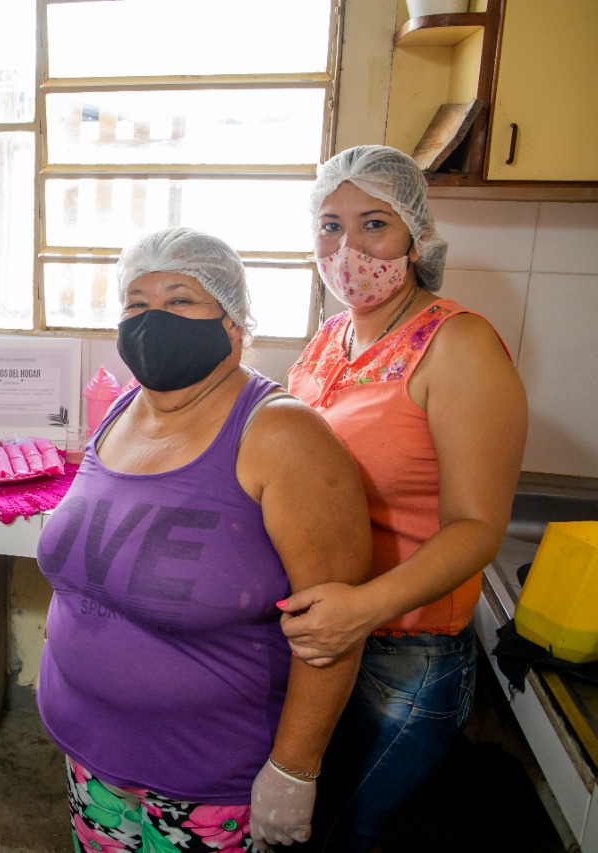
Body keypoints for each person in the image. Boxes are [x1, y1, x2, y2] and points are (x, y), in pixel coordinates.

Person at [35, 226, 373, 852]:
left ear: (234, 322)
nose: (151, 319)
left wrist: (294, 770)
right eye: (135, 303)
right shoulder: (122, 409)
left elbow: (333, 627)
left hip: (208, 789)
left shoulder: (282, 437)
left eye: (180, 300)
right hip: (91, 763)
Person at [281, 145, 528, 852]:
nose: (347, 248)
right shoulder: (331, 338)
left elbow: (478, 526)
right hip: (326, 641)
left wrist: (362, 607)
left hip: (404, 657)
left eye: (374, 224)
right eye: (329, 225)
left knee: (345, 832)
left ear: (416, 238)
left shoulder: (459, 345)